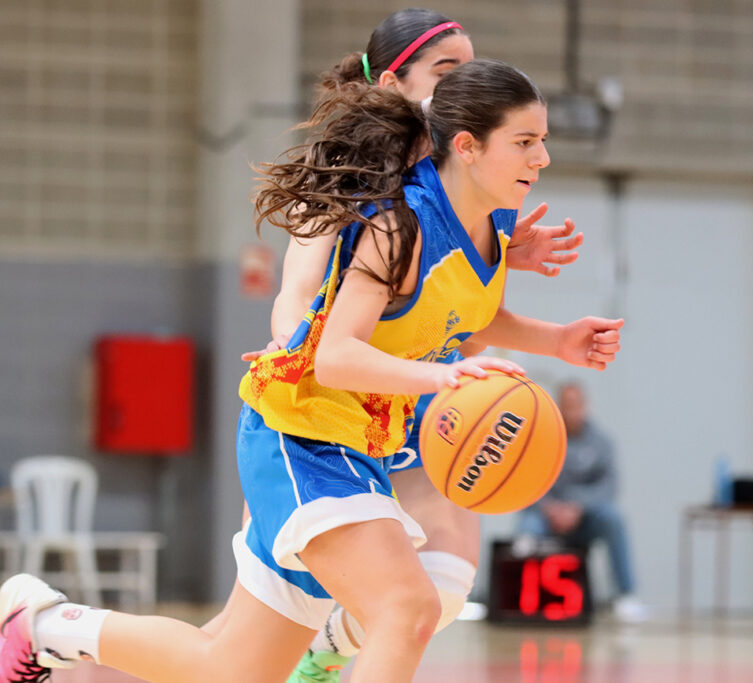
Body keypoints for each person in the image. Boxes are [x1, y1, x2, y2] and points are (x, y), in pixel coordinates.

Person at [0, 58, 622, 683]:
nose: (542, 157)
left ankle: (44, 626)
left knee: (230, 669)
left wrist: (557, 340)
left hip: (358, 445)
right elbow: (337, 355)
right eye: (525, 141)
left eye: (542, 141)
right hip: (303, 436)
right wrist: (437, 380)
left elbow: (463, 319)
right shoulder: (398, 225)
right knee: (409, 610)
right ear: (467, 146)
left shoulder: (494, 225)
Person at [217, 10, 588, 682]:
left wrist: (511, 269)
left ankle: (327, 648)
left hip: (414, 405)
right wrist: (294, 342)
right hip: (327, 407)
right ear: (395, 85)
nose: (466, 78)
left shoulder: (481, 187)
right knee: (277, 646)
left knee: (441, 592)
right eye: (448, 70)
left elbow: (459, 314)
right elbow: (296, 296)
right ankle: (320, 648)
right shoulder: (354, 188)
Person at [515, 381, 649, 623]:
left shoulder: (602, 443)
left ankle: (626, 595)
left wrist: (577, 507)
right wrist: (550, 508)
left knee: (614, 519)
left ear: (585, 406)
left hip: (586, 518)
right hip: (547, 516)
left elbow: (608, 486)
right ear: (558, 406)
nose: (572, 411)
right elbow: (527, 479)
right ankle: (519, 599)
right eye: (567, 405)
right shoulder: (542, 439)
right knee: (527, 527)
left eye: (576, 405)